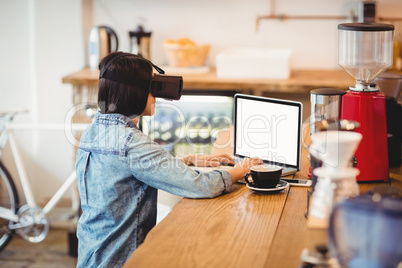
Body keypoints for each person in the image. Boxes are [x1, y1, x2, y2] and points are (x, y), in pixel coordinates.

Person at [75, 51, 262, 267]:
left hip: (92, 254)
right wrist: (241, 169)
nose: (157, 97)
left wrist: (189, 159)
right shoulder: (132, 143)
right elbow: (200, 186)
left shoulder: (94, 131)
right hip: (122, 260)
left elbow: (133, 168)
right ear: (135, 92)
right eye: (152, 88)